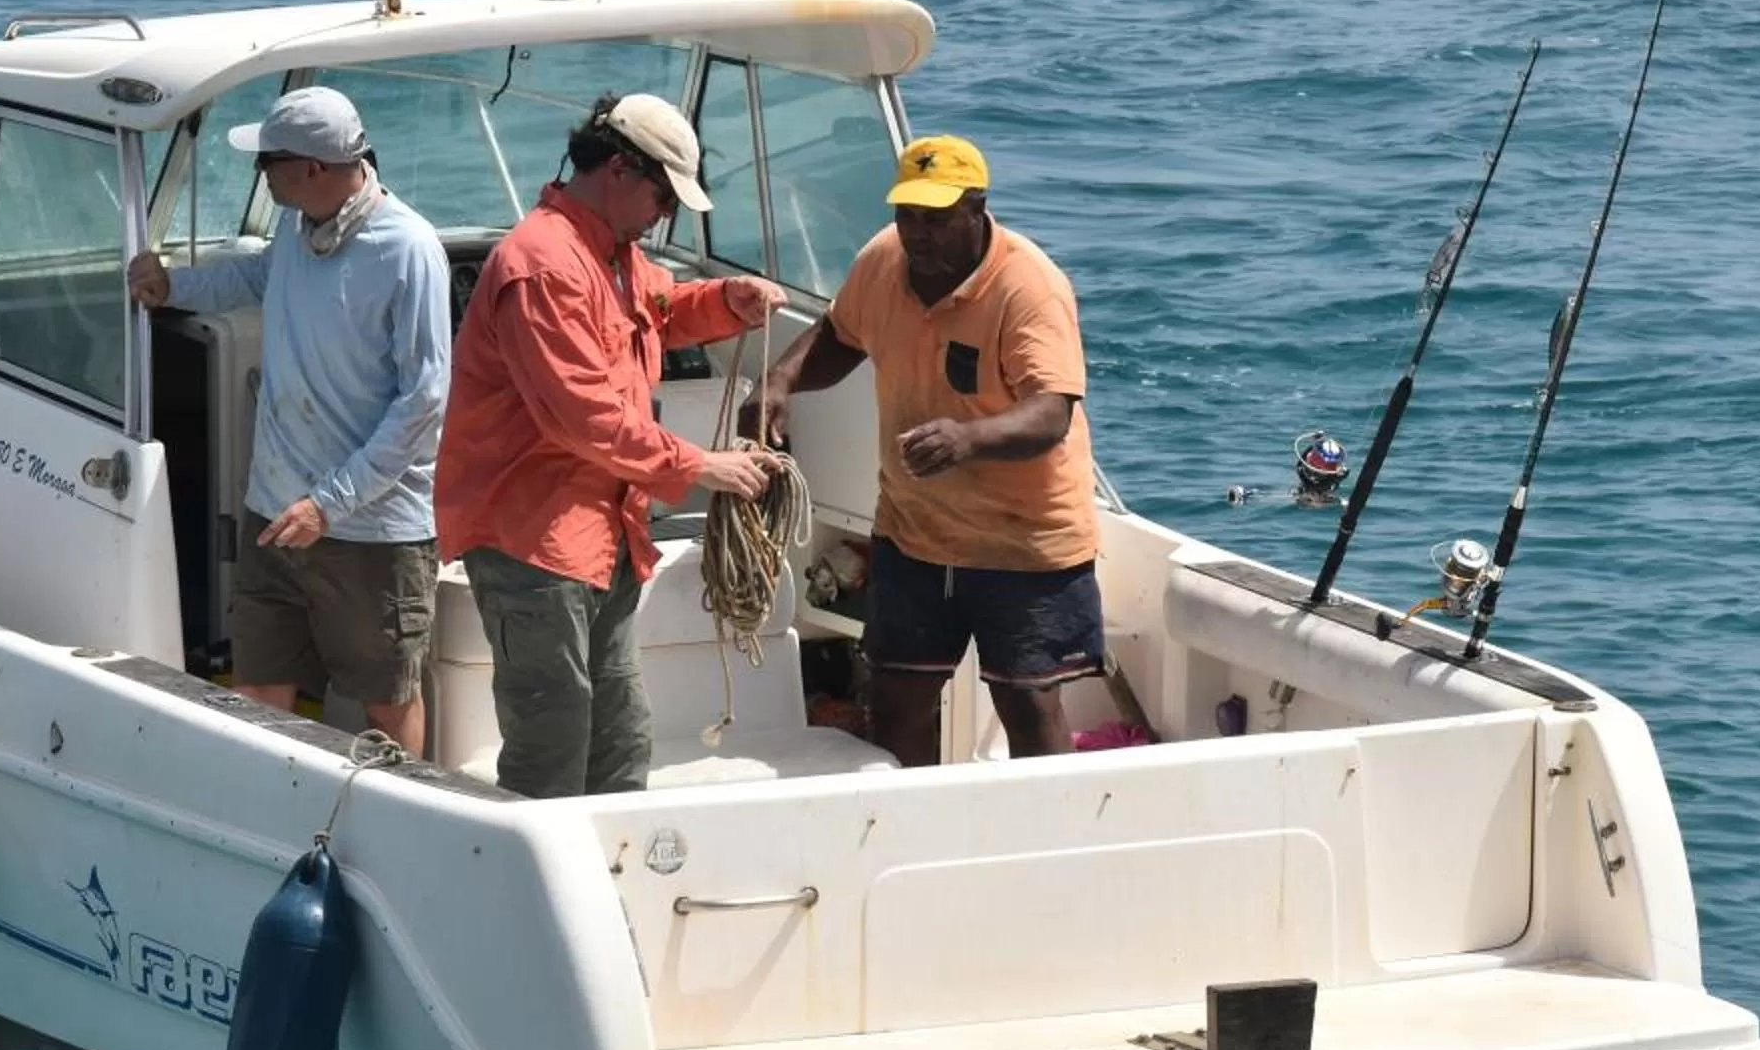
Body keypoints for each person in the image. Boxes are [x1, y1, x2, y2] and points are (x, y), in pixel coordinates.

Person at [434, 94, 787, 798]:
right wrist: (702, 467)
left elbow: (661, 310)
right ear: (621, 170)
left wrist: (727, 301)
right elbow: (581, 418)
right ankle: (524, 899)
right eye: (663, 197)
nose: (665, 215)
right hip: (533, 541)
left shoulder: (615, 255)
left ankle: (609, 885)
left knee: (621, 736)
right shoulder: (542, 264)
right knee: (551, 742)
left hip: (605, 537)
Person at [748, 134, 1102, 767]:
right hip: (916, 534)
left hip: (1023, 541)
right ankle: (907, 833)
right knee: (897, 695)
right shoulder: (882, 261)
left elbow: (1052, 413)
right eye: (906, 215)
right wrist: (780, 380)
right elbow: (841, 336)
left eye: (936, 218)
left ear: (977, 208)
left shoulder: (1028, 288)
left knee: (1027, 701)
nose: (918, 234)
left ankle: (1052, 837)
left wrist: (967, 438)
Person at [126, 87, 451, 759]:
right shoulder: (298, 226)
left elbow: (424, 400)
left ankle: (406, 821)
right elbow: (259, 277)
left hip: (369, 531)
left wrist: (329, 505)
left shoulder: (409, 249)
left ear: (313, 168)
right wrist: (172, 288)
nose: (260, 174)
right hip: (274, 510)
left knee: (388, 698)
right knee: (260, 683)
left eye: (267, 162)